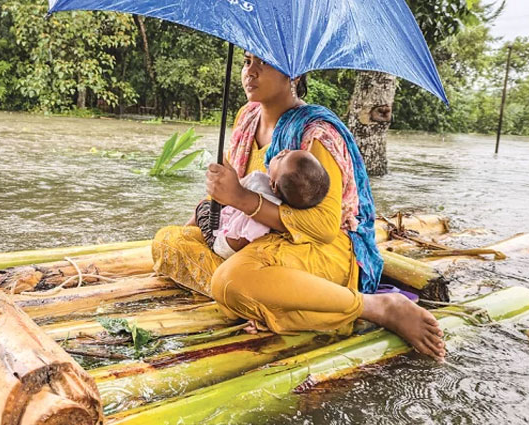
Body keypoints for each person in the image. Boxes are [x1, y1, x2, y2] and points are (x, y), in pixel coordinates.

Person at [152, 52, 446, 361]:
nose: (249, 73)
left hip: (317, 249)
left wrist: (242, 199)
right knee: (168, 242)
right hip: (254, 242)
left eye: (263, 63)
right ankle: (270, 302)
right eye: (246, 61)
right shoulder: (245, 118)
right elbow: (226, 195)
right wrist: (206, 214)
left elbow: (323, 227)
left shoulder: (316, 134)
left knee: (230, 282)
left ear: (294, 74)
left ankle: (374, 307)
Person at [196, 149, 330, 259]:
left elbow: (238, 242)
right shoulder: (271, 191)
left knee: (202, 207)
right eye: (289, 151)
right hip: (228, 219)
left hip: (221, 242)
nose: (284, 150)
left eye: (282, 158)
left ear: (273, 186)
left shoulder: (265, 213)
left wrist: (218, 243)